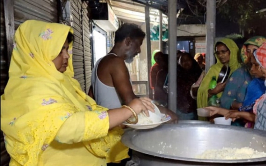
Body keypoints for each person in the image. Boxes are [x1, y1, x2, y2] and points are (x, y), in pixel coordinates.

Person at [1, 20, 155, 166]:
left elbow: (87, 106)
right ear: (38, 51)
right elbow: (67, 127)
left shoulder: (62, 82)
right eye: (60, 50)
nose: (67, 55)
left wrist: (121, 120)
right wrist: (128, 110)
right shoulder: (33, 87)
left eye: (67, 49)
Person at [89, 23, 177, 118]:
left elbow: (90, 97)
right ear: (127, 41)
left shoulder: (99, 62)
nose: (139, 50)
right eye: (138, 44)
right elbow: (131, 102)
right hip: (117, 130)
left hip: (106, 127)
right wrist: (164, 111)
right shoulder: (116, 62)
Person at [218, 36, 266, 126]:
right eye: (248, 51)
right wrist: (240, 106)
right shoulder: (239, 73)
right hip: (238, 124)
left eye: (255, 51)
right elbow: (225, 99)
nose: (251, 54)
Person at [195, 38, 241, 108]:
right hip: (216, 110)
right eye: (218, 53)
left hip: (237, 110)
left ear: (232, 50)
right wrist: (213, 92)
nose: (220, 55)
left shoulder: (241, 69)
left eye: (223, 52)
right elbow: (201, 93)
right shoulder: (214, 69)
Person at [176, 53, 202, 120]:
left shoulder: (198, 72)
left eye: (188, 60)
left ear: (192, 60)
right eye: (183, 60)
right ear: (179, 62)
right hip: (182, 110)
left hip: (197, 108)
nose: (186, 62)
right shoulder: (176, 74)